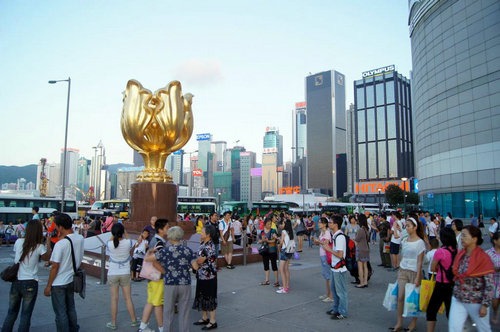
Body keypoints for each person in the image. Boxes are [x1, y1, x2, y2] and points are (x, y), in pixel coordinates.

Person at [2, 220, 49, 332]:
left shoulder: (18, 242)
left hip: (17, 280)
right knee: (26, 315)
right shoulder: (39, 246)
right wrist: (47, 242)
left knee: (11, 312)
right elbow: (47, 258)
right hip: (30, 282)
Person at [43, 212, 85, 332]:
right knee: (71, 308)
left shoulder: (60, 244)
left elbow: (55, 266)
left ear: (60, 227)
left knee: (60, 312)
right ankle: (73, 329)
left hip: (59, 283)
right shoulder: (80, 238)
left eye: (56, 225)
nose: (55, 228)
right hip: (71, 279)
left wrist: (48, 286)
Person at [449, 225, 495, 332]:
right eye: (461, 236)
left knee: (484, 329)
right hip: (458, 298)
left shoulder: (483, 258)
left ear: (474, 239)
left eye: (464, 236)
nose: (462, 238)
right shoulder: (461, 254)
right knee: (454, 328)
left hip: (476, 301)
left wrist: (485, 305)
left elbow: (489, 284)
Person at [151, 226, 195, 332]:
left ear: (170, 237)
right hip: (184, 283)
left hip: (170, 282)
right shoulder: (187, 250)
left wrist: (164, 271)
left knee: (168, 311)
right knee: (184, 312)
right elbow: (195, 266)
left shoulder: (165, 251)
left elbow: (153, 261)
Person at [390, 217, 426, 332]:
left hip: (414, 272)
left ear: (415, 227)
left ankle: (413, 322)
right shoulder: (404, 240)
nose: (407, 227)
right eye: (406, 225)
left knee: (412, 299)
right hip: (403, 270)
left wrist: (418, 277)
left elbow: (420, 262)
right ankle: (399, 322)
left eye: (409, 225)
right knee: (400, 297)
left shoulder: (420, 242)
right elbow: (402, 254)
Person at [138, 218, 169, 332]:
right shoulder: (159, 243)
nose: (168, 229)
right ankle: (162, 328)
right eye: (167, 227)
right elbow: (155, 262)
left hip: (151, 276)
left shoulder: (154, 240)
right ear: (160, 229)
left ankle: (143, 326)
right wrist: (165, 272)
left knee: (151, 301)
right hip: (157, 277)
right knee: (158, 304)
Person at [106, 223, 139, 330]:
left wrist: (114, 233)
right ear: (123, 232)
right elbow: (130, 240)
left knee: (114, 299)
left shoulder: (110, 243)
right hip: (125, 272)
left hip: (112, 273)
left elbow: (111, 239)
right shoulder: (128, 242)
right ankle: (134, 320)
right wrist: (125, 232)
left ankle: (113, 323)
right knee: (128, 298)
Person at [426, 228, 457, 332]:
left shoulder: (440, 252)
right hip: (453, 284)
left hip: (441, 283)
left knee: (431, 310)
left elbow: (432, 268)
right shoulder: (456, 251)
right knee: (450, 311)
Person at [322, 214, 349, 320]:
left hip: (339, 268)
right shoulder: (335, 236)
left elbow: (340, 255)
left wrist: (328, 249)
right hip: (334, 267)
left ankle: (342, 312)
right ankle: (336, 309)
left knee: (341, 292)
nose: (329, 224)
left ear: (336, 224)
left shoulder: (340, 237)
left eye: (330, 222)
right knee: (334, 290)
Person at [192, 224, 218, 331]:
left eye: (202, 232)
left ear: (208, 235)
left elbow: (200, 260)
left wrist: (193, 261)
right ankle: (204, 317)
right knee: (202, 296)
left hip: (209, 277)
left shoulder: (209, 246)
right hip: (202, 275)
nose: (200, 233)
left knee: (209, 297)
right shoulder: (204, 243)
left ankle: (212, 321)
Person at [313, 217, 333, 302]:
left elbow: (326, 243)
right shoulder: (322, 232)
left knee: (328, 275)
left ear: (325, 224)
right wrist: (317, 242)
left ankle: (331, 296)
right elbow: (321, 244)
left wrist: (318, 241)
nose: (319, 224)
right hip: (322, 255)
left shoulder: (327, 233)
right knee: (326, 276)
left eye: (320, 222)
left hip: (326, 255)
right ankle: (328, 293)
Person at [258, 216, 279, 287]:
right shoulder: (262, 232)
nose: (269, 225)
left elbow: (274, 240)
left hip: (272, 250)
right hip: (265, 250)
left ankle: (276, 281)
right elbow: (259, 241)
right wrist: (262, 240)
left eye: (270, 224)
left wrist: (268, 241)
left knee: (274, 265)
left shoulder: (273, 230)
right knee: (266, 265)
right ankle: (267, 280)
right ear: (265, 224)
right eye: (268, 224)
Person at [276, 218, 294, 294]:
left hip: (284, 250)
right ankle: (287, 285)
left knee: (281, 269)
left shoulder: (283, 231)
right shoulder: (290, 232)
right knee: (286, 269)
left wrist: (278, 246)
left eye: (283, 223)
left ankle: (284, 288)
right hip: (290, 251)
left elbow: (281, 242)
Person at [486, 231, 500, 324]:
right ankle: (495, 311)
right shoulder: (488, 253)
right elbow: (484, 267)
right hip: (494, 280)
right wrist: (493, 269)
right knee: (495, 303)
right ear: (495, 241)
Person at [354, 213, 370, 288]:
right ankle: (365, 281)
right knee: (365, 266)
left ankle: (361, 282)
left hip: (360, 249)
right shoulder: (366, 229)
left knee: (360, 266)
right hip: (366, 248)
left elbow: (356, 240)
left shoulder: (360, 230)